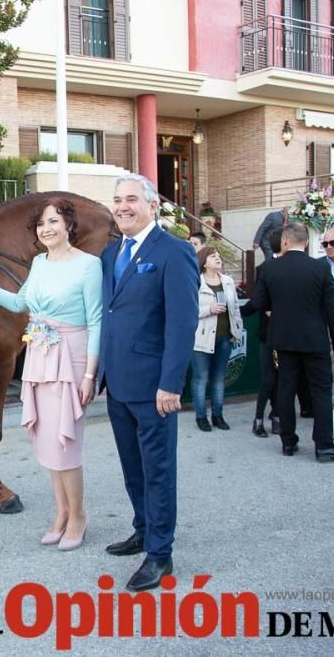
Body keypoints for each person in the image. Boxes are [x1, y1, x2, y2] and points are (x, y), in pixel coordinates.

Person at [0, 197, 102, 552]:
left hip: (71, 356)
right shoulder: (39, 263)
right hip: (40, 356)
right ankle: (60, 514)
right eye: (42, 224)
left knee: (66, 442)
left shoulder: (88, 266)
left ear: (69, 226)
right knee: (47, 442)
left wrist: (90, 374)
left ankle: (78, 517)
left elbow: (97, 321)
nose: (47, 229)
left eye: (54, 221)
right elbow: (17, 303)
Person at [98, 174, 199, 592]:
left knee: (157, 470)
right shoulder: (110, 253)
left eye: (132, 200)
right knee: (132, 469)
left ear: (153, 206)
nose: (123, 206)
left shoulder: (174, 252)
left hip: (155, 387)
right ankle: (143, 529)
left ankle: (160, 554)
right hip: (118, 384)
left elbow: (182, 322)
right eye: (118, 200)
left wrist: (171, 384)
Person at [251, 223, 334, 462]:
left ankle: (288, 441)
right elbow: (331, 309)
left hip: (282, 339)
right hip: (314, 339)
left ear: (285, 241)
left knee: (286, 389)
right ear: (305, 243)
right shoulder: (319, 268)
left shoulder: (269, 268)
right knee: (322, 391)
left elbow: (258, 302)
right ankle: (323, 446)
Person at [191, 246, 244, 432]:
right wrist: (209, 310)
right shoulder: (195, 281)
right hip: (201, 339)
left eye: (219, 255)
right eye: (213, 256)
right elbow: (187, 310)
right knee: (200, 378)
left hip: (224, 338)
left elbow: (235, 308)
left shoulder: (227, 281)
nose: (218, 258)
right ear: (204, 261)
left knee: (219, 378)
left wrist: (235, 331)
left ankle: (218, 415)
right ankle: (200, 416)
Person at [240, 229, 284, 436]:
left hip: (275, 331)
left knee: (275, 377)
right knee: (271, 378)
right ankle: (264, 418)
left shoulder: (266, 267)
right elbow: (258, 301)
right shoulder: (266, 268)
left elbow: (257, 301)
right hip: (273, 332)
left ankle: (272, 417)